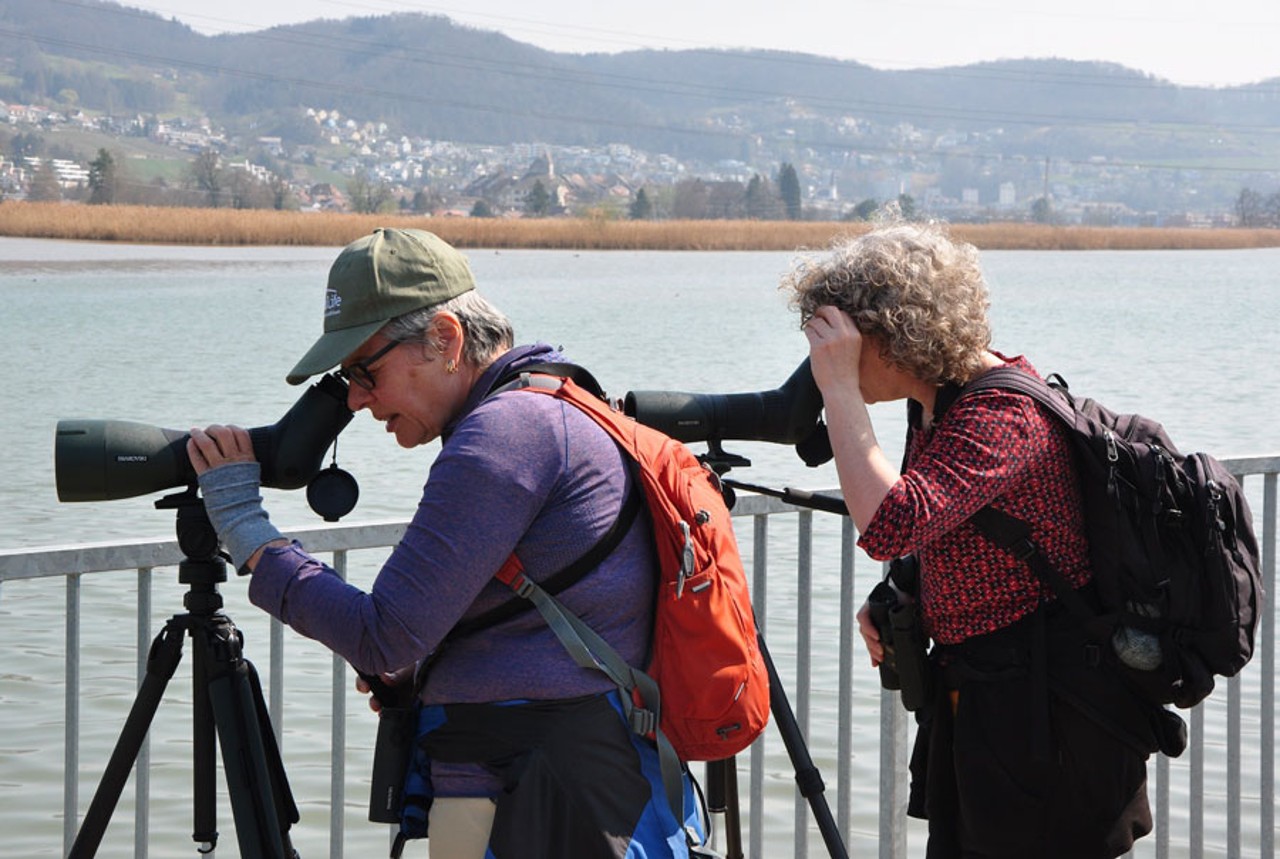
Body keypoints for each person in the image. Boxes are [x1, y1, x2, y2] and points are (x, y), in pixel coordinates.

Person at [185, 227, 700, 858]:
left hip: (547, 795)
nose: (355, 397)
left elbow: (384, 634)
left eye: (364, 371)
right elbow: (529, 611)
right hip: (565, 776)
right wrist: (428, 672)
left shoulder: (505, 434)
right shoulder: (548, 404)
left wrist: (242, 525)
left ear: (446, 340)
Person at [785, 222, 1155, 858]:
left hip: (1049, 717)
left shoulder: (1000, 413)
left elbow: (890, 522)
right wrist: (901, 592)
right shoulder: (939, 403)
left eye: (843, 343)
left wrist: (841, 392)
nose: (827, 360)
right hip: (990, 703)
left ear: (894, 333)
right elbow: (940, 530)